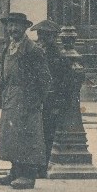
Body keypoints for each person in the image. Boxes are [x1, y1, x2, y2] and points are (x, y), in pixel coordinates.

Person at [0, 12, 52, 190]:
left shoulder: (32, 49)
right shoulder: (9, 47)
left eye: (17, 26)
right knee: (11, 135)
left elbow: (45, 79)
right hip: (10, 96)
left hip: (27, 97)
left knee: (27, 136)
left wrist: (36, 100)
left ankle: (28, 175)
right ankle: (15, 171)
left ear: (24, 28)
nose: (12, 29)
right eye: (10, 25)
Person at [31, 19, 74, 178]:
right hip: (40, 99)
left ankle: (41, 169)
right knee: (37, 134)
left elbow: (66, 83)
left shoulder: (58, 56)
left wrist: (59, 104)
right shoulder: (38, 52)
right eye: (40, 35)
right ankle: (36, 166)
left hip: (52, 101)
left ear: (53, 37)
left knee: (47, 135)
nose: (41, 38)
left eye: (45, 36)